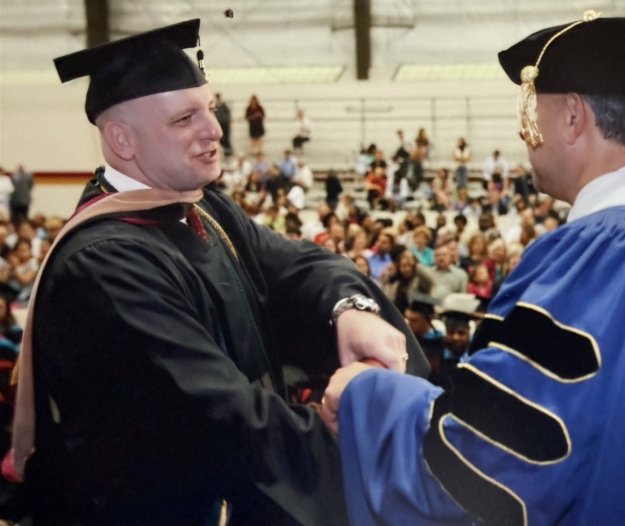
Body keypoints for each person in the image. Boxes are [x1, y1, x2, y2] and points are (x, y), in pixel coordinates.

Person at [320, 12, 625, 526]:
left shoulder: (615, 254)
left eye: (534, 107)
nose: (525, 130)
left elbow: (490, 467)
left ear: (574, 116)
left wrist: (366, 397)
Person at [8, 19, 428, 525]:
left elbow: (301, 266)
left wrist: (350, 311)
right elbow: (211, 415)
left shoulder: (203, 208)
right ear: (122, 139)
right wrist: (360, 441)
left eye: (210, 107)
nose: (215, 129)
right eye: (185, 118)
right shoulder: (102, 264)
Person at [213, 92, 232, 157]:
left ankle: (228, 151)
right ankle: (224, 149)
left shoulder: (224, 105)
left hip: (225, 123)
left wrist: (228, 120)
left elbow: (228, 113)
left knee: (226, 137)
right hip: (219, 123)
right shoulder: (214, 106)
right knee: (220, 138)